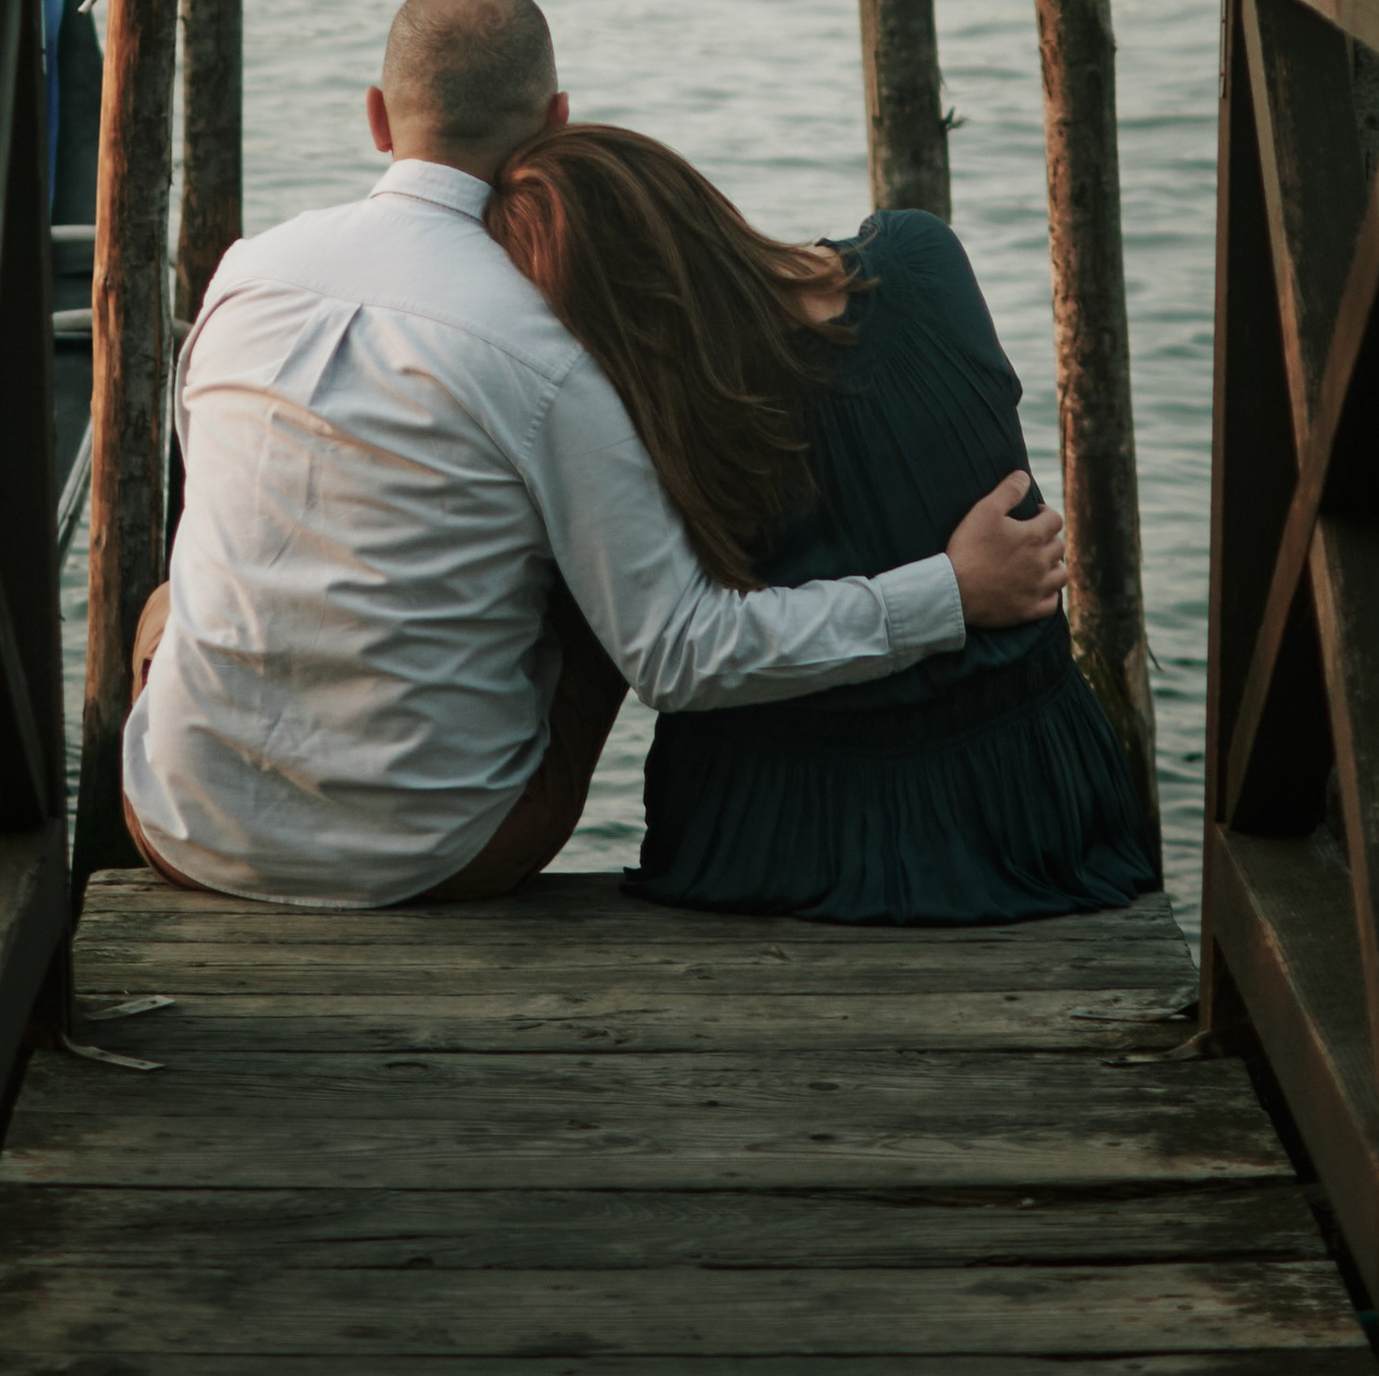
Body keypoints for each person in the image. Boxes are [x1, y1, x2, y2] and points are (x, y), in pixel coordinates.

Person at [121, 0, 1065, 908]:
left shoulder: (246, 274)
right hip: (432, 855)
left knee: (177, 595)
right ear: (558, 119)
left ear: (378, 116)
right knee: (596, 574)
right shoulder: (556, 349)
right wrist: (949, 592)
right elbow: (680, 655)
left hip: (179, 826)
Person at [486, 122, 1157, 923]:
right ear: (695, 196)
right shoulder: (923, 254)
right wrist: (951, 585)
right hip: (1030, 810)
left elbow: (676, 648)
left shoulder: (657, 424)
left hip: (772, 840)